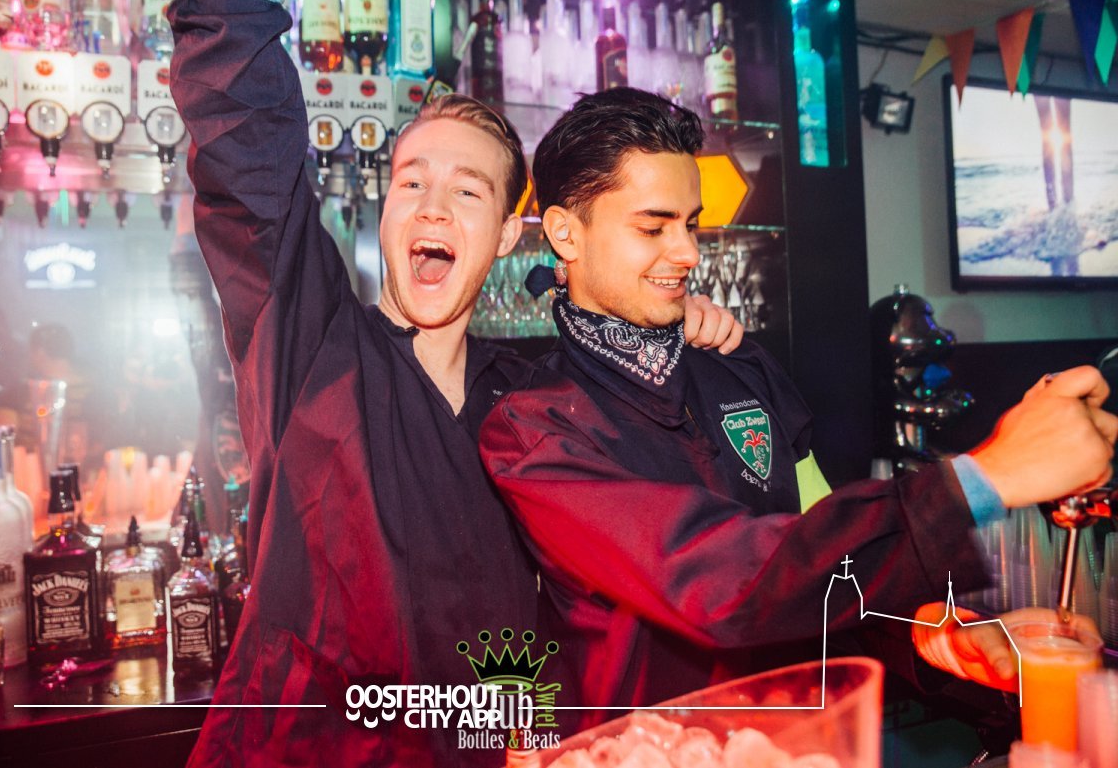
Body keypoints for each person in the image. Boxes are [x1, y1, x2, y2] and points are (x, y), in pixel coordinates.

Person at [167, 0, 742, 766]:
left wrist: (676, 326)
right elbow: (249, 164)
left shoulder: (538, 401)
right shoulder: (311, 348)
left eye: (467, 190)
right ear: (386, 211)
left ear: (506, 235)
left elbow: (612, 586)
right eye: (412, 182)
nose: (432, 206)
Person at [478, 87, 1117, 726]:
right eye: (653, 227)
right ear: (565, 232)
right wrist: (985, 477)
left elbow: (819, 550)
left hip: (801, 736)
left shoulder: (739, 365)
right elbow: (722, 580)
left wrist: (928, 631)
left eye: (691, 224)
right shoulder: (536, 429)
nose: (689, 253)